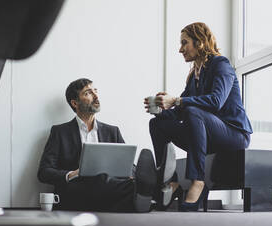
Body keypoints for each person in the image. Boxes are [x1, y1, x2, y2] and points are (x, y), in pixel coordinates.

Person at [145, 22, 253, 212]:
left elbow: (216, 101)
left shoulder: (221, 65)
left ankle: (198, 181)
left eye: (184, 43)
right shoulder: (195, 74)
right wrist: (162, 109)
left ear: (200, 42)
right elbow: (179, 109)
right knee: (157, 124)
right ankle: (171, 182)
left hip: (234, 134)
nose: (180, 49)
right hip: (206, 134)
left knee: (193, 111)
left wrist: (176, 100)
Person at [38, 78, 174, 212]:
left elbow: (127, 164)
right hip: (77, 190)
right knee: (109, 181)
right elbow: (44, 172)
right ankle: (155, 189)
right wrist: (71, 174)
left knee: (124, 182)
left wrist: (133, 173)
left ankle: (145, 192)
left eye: (95, 91)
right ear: (75, 103)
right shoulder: (60, 132)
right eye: (88, 93)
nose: (96, 96)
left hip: (108, 190)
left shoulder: (112, 131)